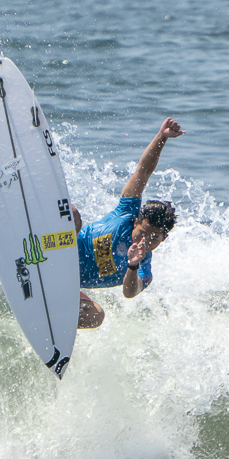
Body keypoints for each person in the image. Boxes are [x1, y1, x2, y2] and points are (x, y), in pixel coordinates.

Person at [72, 117, 184, 329]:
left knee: (95, 316)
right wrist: (162, 137)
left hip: (66, 283)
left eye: (154, 238)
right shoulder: (126, 213)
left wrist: (132, 266)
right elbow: (143, 171)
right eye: (143, 232)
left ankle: (46, 322)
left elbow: (129, 293)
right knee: (72, 214)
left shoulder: (143, 266)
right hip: (60, 247)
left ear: (164, 239)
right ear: (135, 222)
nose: (146, 241)